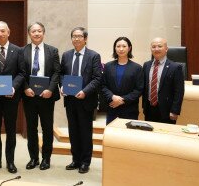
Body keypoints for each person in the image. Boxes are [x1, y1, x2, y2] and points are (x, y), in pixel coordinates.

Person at [0, 21, 25, 174]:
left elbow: (22, 73)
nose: (0, 34)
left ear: (9, 32)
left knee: (11, 130)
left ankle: (10, 162)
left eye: (3, 31)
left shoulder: (18, 50)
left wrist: (14, 86)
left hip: (11, 98)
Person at [60, 27, 101, 174]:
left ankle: (85, 162)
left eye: (79, 36)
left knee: (85, 132)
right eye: (74, 36)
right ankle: (75, 159)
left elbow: (97, 79)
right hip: (70, 100)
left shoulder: (94, 56)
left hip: (85, 100)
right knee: (73, 131)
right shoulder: (66, 55)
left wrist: (85, 91)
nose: (76, 39)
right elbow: (61, 75)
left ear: (85, 39)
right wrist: (62, 87)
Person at [22, 22, 61, 170]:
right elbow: (21, 73)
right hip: (29, 96)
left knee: (46, 127)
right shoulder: (22, 51)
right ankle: (33, 158)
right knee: (31, 128)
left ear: (44, 33)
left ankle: (46, 158)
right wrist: (25, 88)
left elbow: (57, 72)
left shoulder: (53, 51)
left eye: (39, 31)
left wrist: (51, 89)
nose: (37, 33)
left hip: (47, 96)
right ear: (29, 34)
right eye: (33, 31)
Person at [101, 37, 143, 125]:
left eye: (124, 46)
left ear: (129, 48)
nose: (121, 49)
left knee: (128, 137)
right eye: (118, 46)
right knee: (111, 137)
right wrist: (112, 97)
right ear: (115, 48)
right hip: (112, 108)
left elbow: (139, 90)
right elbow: (103, 86)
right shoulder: (108, 66)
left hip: (129, 110)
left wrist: (122, 100)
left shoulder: (137, 68)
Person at [142, 37, 184, 124]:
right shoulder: (146, 65)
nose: (156, 49)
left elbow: (179, 91)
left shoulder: (175, 67)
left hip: (167, 110)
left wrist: (175, 110)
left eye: (160, 46)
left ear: (166, 49)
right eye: (153, 46)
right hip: (149, 109)